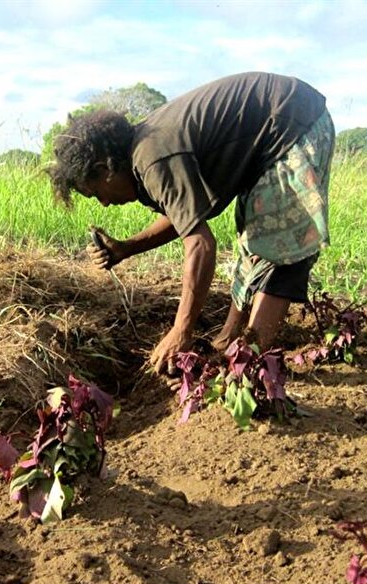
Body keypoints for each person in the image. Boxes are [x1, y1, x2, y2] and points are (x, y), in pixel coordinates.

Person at [46, 72, 335, 375]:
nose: (104, 203)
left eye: (96, 194)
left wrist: (181, 330)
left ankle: (248, 363)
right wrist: (126, 248)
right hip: (277, 126)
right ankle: (228, 343)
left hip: (291, 122)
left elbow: (200, 244)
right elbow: (184, 217)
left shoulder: (153, 159)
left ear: (104, 169)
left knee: (282, 245)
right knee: (255, 241)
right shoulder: (146, 151)